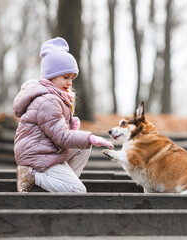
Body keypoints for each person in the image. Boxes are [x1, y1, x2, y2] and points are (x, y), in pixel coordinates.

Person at [13, 37, 114, 193]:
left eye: (72, 78)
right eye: (65, 77)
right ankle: (33, 176)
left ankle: (57, 185)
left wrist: (72, 126)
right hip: (37, 155)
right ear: (51, 76)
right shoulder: (48, 101)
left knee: (83, 148)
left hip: (46, 149)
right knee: (78, 191)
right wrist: (91, 138)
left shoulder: (55, 96)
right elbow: (62, 137)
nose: (70, 83)